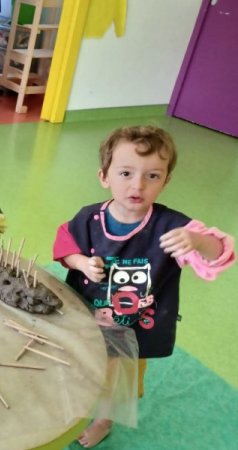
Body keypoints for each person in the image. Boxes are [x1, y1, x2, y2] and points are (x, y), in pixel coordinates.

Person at [52, 125, 235, 448]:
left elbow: (221, 253)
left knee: (116, 381)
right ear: (104, 176)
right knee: (77, 367)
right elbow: (64, 243)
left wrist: (197, 241)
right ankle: (68, 410)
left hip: (135, 329)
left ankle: (104, 420)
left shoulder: (173, 227)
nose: (137, 185)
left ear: (166, 180)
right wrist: (81, 262)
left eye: (152, 176)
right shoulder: (89, 218)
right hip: (86, 318)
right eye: (125, 173)